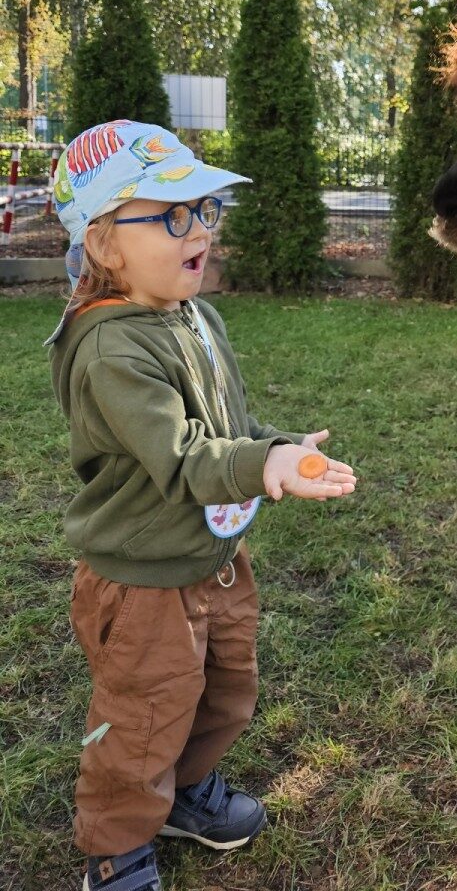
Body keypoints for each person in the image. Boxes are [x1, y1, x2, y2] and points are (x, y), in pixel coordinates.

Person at [47, 120, 356, 891]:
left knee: (223, 691)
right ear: (104, 243)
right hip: (144, 580)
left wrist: (277, 447)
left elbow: (227, 427)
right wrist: (260, 464)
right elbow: (185, 456)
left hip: (214, 557)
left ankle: (182, 793)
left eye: (206, 209)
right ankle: (116, 848)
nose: (200, 231)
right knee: (142, 718)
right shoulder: (112, 350)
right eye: (173, 214)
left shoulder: (194, 317)